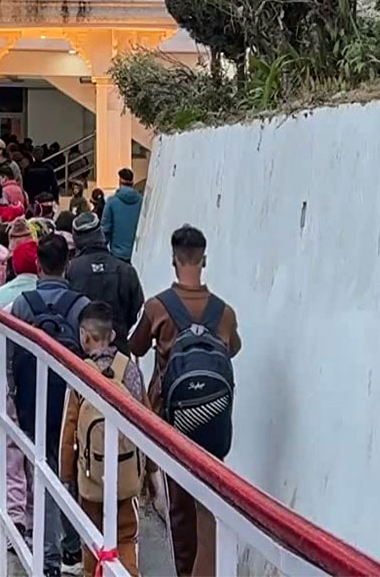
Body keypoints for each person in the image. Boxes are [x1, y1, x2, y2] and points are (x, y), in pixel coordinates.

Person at [129, 225, 241, 577]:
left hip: (171, 421)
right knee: (209, 505)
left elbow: (135, 347)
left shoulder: (158, 307)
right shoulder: (224, 313)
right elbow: (233, 349)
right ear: (203, 260)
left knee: (179, 508)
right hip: (213, 418)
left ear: (174, 260)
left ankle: (184, 572)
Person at [9, 233, 89, 577]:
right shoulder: (81, 306)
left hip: (32, 400)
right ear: (67, 264)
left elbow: (12, 357)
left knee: (40, 472)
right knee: (69, 473)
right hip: (69, 403)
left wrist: (14, 395)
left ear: (38, 265)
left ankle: (48, 557)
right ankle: (73, 544)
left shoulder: (23, 305)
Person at [61, 301, 146, 577]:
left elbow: (69, 426)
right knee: (125, 537)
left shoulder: (80, 372)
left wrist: (66, 475)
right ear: (111, 336)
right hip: (127, 475)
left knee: (93, 540)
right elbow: (146, 421)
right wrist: (151, 473)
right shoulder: (130, 370)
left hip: (91, 476)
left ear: (84, 336)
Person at [66, 212, 144, 349]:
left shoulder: (70, 270)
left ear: (76, 238)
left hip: (81, 358)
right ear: (100, 234)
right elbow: (137, 312)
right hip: (119, 353)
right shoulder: (126, 270)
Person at [101, 169, 142, 262]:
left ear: (120, 181)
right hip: (137, 254)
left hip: (117, 255)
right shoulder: (141, 201)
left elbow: (105, 230)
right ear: (132, 182)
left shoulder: (111, 202)